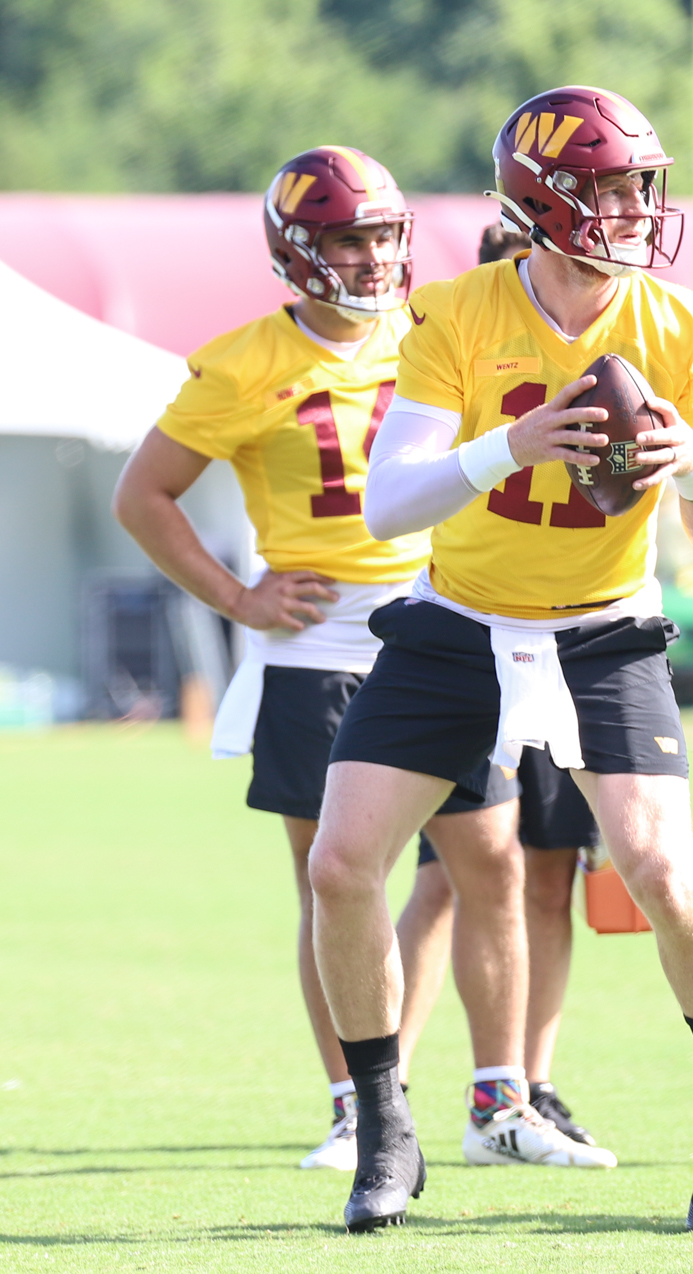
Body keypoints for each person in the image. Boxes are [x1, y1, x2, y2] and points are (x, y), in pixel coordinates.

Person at [307, 85, 693, 1234]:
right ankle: (383, 1122)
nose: (632, 208)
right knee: (340, 861)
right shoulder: (459, 312)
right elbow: (386, 505)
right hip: (461, 617)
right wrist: (508, 444)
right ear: (543, 200)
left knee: (659, 864)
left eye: (638, 186)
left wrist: (692, 466)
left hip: (604, 620)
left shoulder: (679, 324)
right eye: (608, 187)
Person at [111, 145, 428, 1173]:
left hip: (442, 629)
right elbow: (141, 495)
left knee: (488, 861)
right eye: (351, 237)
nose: (376, 257)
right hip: (318, 644)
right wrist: (236, 595)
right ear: (299, 250)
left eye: (385, 234)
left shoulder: (434, 334)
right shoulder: (243, 361)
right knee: (332, 881)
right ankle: (356, 1101)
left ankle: (493, 1087)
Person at [396, 221, 605, 1149]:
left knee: (550, 875)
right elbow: (403, 495)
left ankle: (532, 1080)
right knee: (455, 875)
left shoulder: (617, 355)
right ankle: (384, 1087)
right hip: (476, 640)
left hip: (578, 643)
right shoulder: (457, 356)